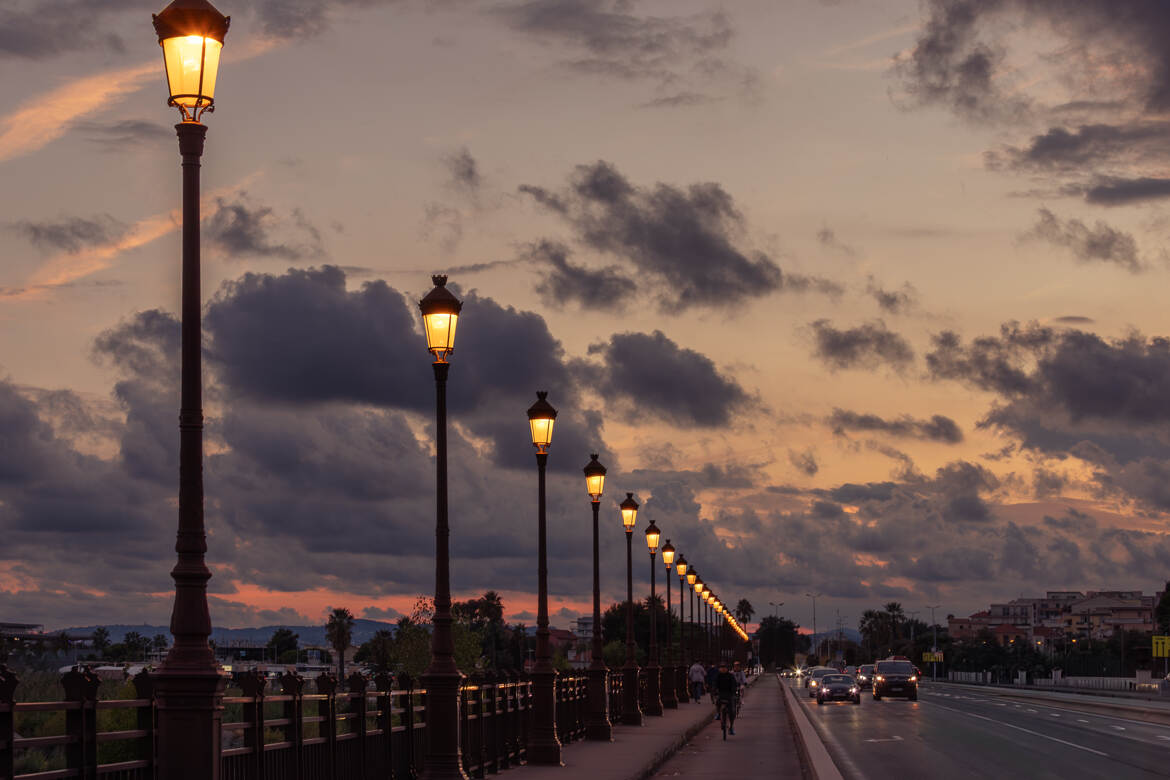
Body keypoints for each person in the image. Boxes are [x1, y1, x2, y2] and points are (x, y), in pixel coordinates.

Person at [714, 661, 740, 735]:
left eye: (724, 668)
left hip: (729, 694)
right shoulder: (718, 676)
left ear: (727, 669)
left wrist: (733, 691)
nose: (722, 669)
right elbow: (715, 684)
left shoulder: (730, 676)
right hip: (721, 693)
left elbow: (734, 684)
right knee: (717, 702)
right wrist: (715, 690)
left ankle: (731, 727)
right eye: (721, 668)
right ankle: (718, 713)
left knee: (732, 711)